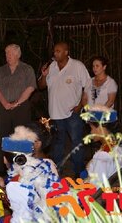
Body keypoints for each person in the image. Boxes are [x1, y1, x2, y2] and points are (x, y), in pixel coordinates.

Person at [0, 125, 60, 222]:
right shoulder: (48, 164)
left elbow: (22, 212)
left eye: (24, 139)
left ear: (37, 144)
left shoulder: (18, 180)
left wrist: (4, 191)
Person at [38, 42, 90, 177]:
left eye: (58, 51)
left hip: (73, 112)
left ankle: (79, 171)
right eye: (54, 51)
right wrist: (44, 75)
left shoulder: (77, 66)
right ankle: (57, 170)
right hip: (55, 113)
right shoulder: (51, 67)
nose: (55, 53)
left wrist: (80, 106)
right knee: (57, 143)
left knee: (76, 141)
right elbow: (41, 86)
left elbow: (88, 87)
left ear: (66, 52)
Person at [0, 44, 36, 175]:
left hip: (21, 108)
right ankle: (3, 169)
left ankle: (22, 168)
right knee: (4, 138)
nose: (8, 56)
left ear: (18, 55)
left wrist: (17, 102)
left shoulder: (27, 69)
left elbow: (30, 88)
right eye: (6, 53)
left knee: (21, 138)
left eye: (10, 53)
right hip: (4, 107)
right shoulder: (1, 70)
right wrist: (5, 102)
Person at [81, 105, 122, 186]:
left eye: (92, 128)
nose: (91, 132)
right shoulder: (116, 148)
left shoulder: (102, 156)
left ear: (101, 127)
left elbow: (95, 187)